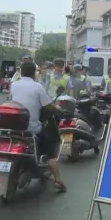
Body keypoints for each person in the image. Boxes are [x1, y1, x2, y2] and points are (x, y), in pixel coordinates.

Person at [8, 62, 67, 192]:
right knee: (51, 148)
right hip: (31, 129)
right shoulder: (38, 87)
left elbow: (10, 100)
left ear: (21, 72)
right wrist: (58, 110)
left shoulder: (13, 85)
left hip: (14, 128)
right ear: (35, 73)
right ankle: (57, 180)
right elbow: (48, 106)